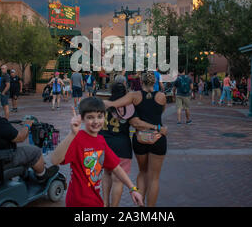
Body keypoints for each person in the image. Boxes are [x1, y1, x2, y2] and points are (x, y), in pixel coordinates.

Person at [50, 98, 144, 207]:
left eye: (100, 116)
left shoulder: (101, 140)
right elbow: (55, 160)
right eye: (90, 117)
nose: (96, 121)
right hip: (78, 202)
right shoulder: (77, 138)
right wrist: (72, 134)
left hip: (95, 200)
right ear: (82, 119)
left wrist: (133, 189)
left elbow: (116, 168)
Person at [104, 71, 167, 207]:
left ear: (141, 82)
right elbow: (160, 112)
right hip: (158, 137)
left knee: (142, 172)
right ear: (155, 82)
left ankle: (140, 205)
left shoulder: (134, 96)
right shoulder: (162, 97)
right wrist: (157, 127)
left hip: (140, 138)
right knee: (154, 178)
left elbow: (114, 104)